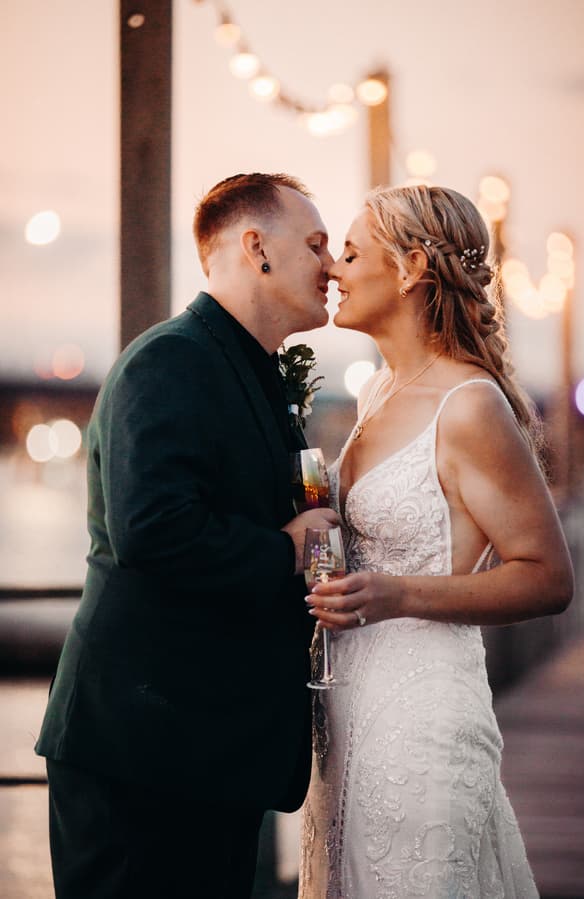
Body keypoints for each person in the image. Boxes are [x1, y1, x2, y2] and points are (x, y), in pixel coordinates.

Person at [35, 172, 339, 899]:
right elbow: (153, 529)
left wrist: (320, 536)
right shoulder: (170, 361)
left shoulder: (258, 375)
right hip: (142, 752)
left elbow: (296, 506)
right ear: (256, 247)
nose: (332, 265)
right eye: (317, 244)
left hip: (208, 749)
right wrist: (293, 547)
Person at [298, 184, 574, 898]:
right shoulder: (377, 394)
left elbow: (547, 576)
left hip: (423, 720)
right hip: (346, 710)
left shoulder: (469, 405)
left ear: (413, 264)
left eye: (352, 253)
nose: (333, 269)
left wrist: (395, 594)